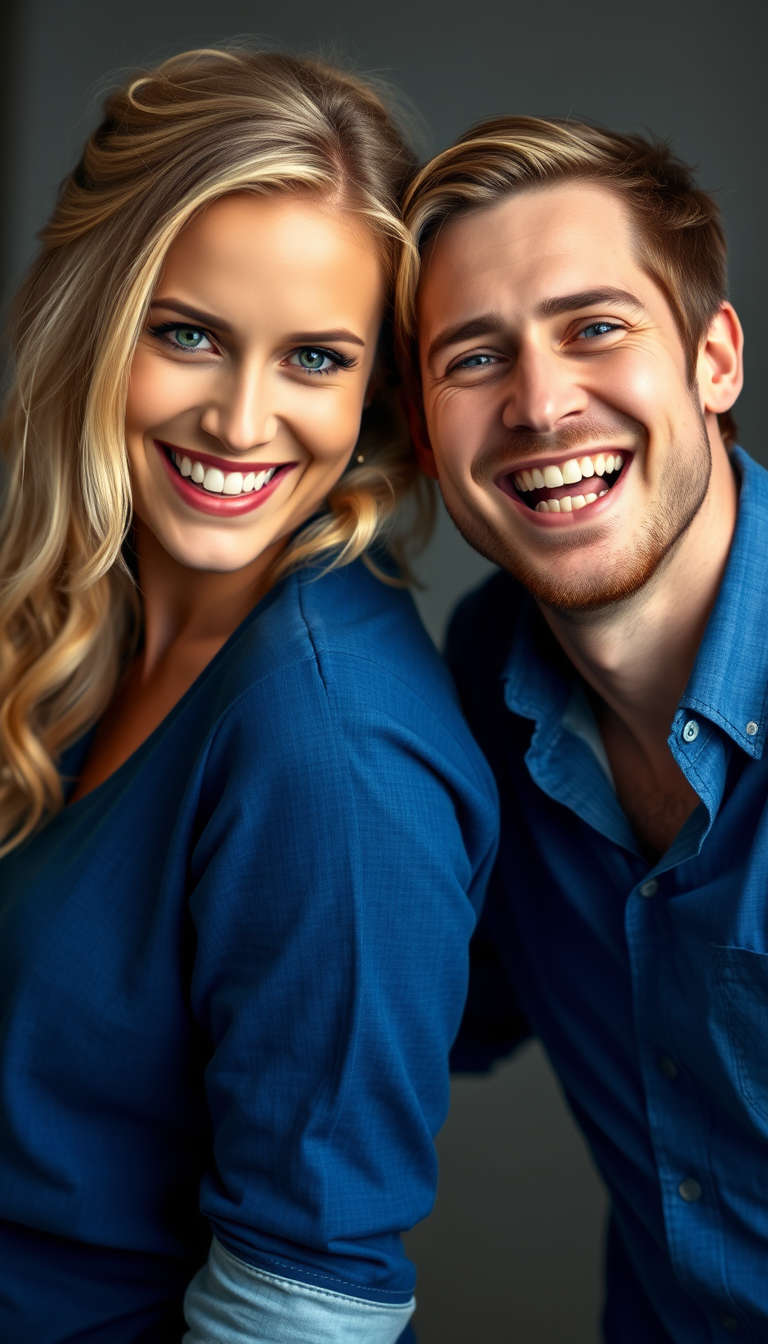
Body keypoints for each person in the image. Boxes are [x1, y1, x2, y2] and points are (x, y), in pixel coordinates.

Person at [0, 48, 498, 1344]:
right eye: (189, 335)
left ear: (378, 389)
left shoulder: (333, 747)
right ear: (92, 316)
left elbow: (304, 1306)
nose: (238, 419)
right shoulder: (82, 609)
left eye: (316, 359)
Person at [397, 117, 765, 1340]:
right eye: (472, 359)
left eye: (595, 328)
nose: (542, 404)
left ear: (714, 360)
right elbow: (409, 1003)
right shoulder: (485, 683)